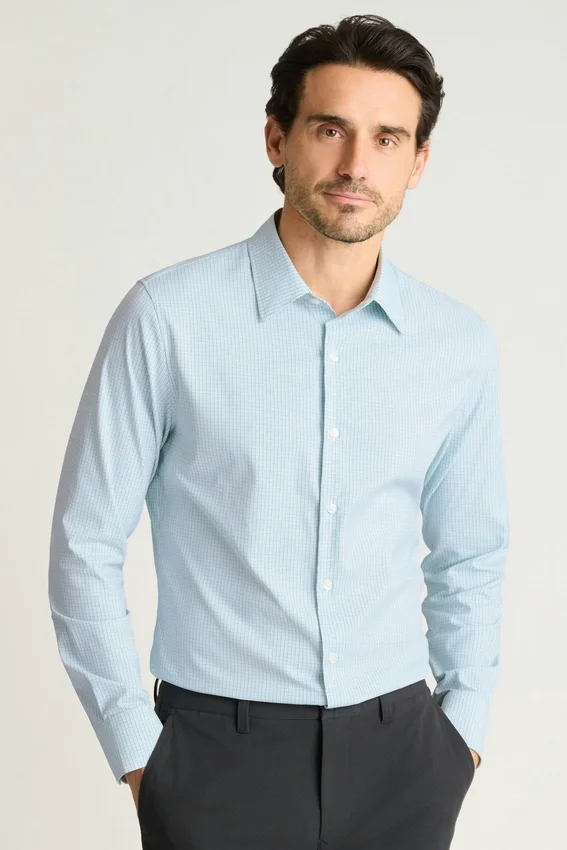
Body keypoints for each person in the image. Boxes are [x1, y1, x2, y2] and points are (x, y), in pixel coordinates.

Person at [48, 13, 510, 850]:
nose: (355, 164)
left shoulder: (456, 344)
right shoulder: (169, 318)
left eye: (386, 138)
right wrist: (141, 756)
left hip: (403, 757)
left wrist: (461, 736)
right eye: (329, 129)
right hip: (214, 758)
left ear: (417, 162)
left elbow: (470, 554)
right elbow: (85, 544)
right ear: (276, 139)